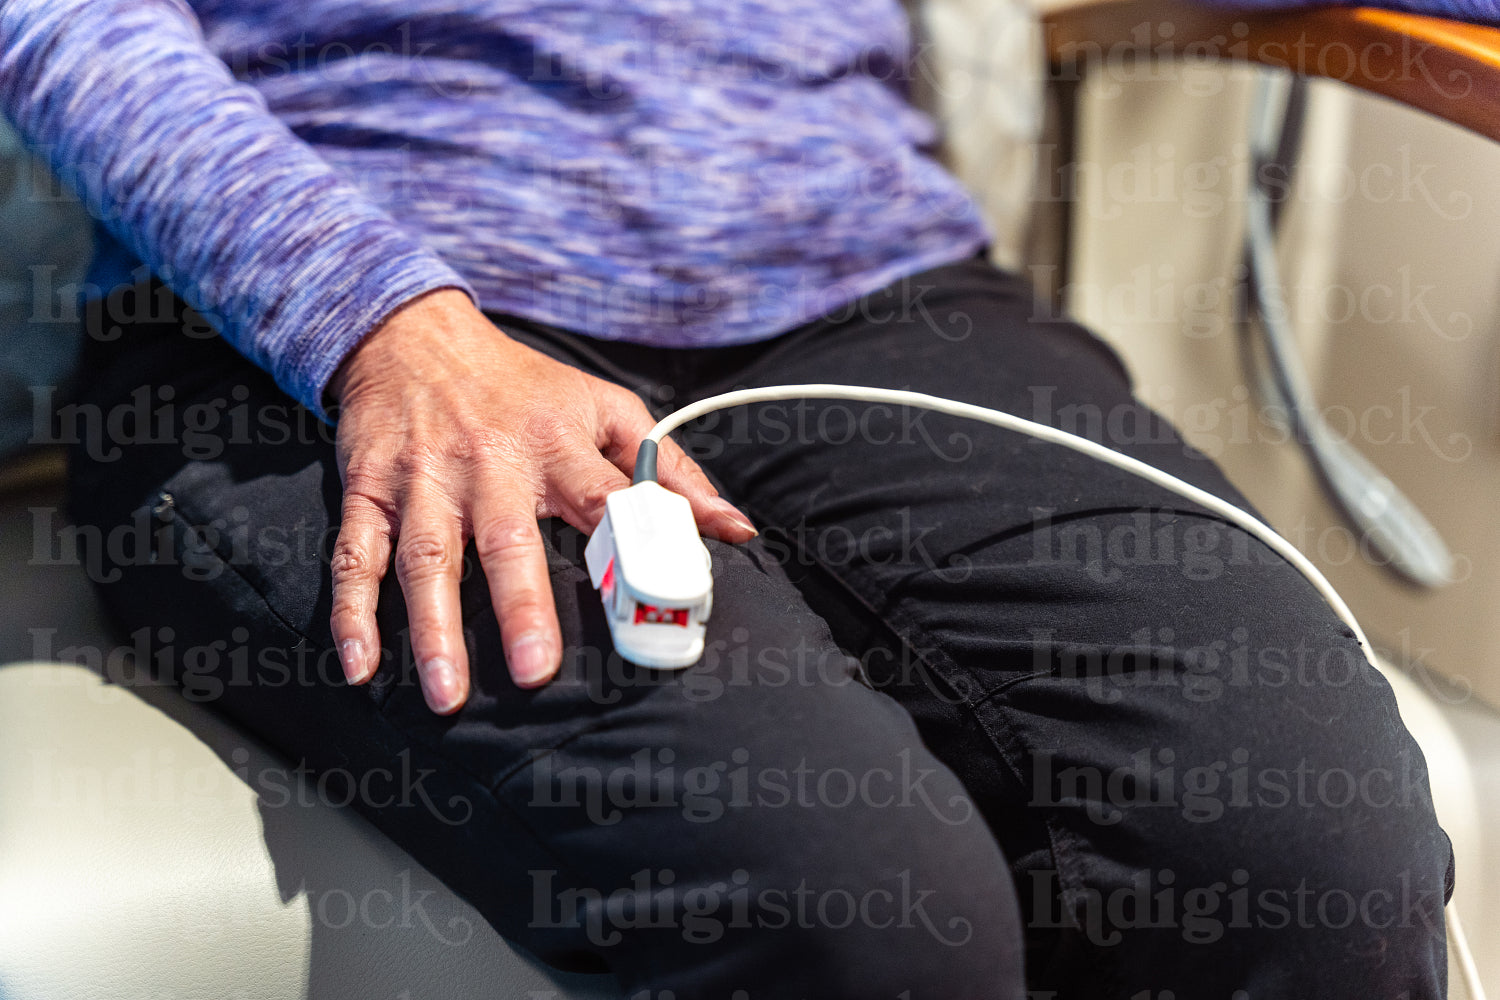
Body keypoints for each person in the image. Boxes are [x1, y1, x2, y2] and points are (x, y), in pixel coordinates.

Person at [1, 1, 1453, 997]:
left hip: (877, 292)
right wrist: (384, 323)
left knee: (1307, 847)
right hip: (342, 327)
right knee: (859, 914)